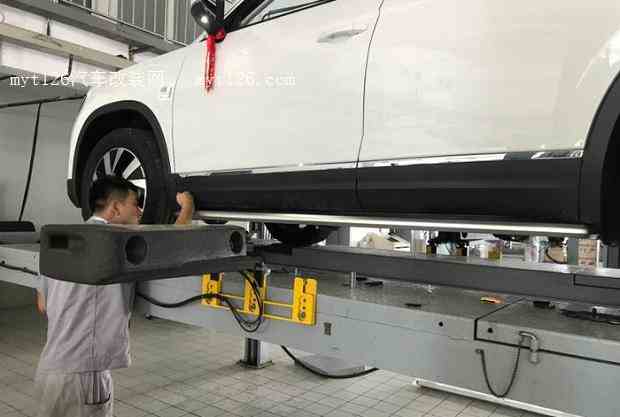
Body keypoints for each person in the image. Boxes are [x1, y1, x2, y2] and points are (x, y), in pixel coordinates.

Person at [34, 175, 195, 417]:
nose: (140, 211)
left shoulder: (57, 242)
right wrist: (187, 207)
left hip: (50, 370)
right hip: (84, 378)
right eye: (135, 204)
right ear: (116, 208)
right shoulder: (119, 245)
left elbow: (42, 304)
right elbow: (174, 247)